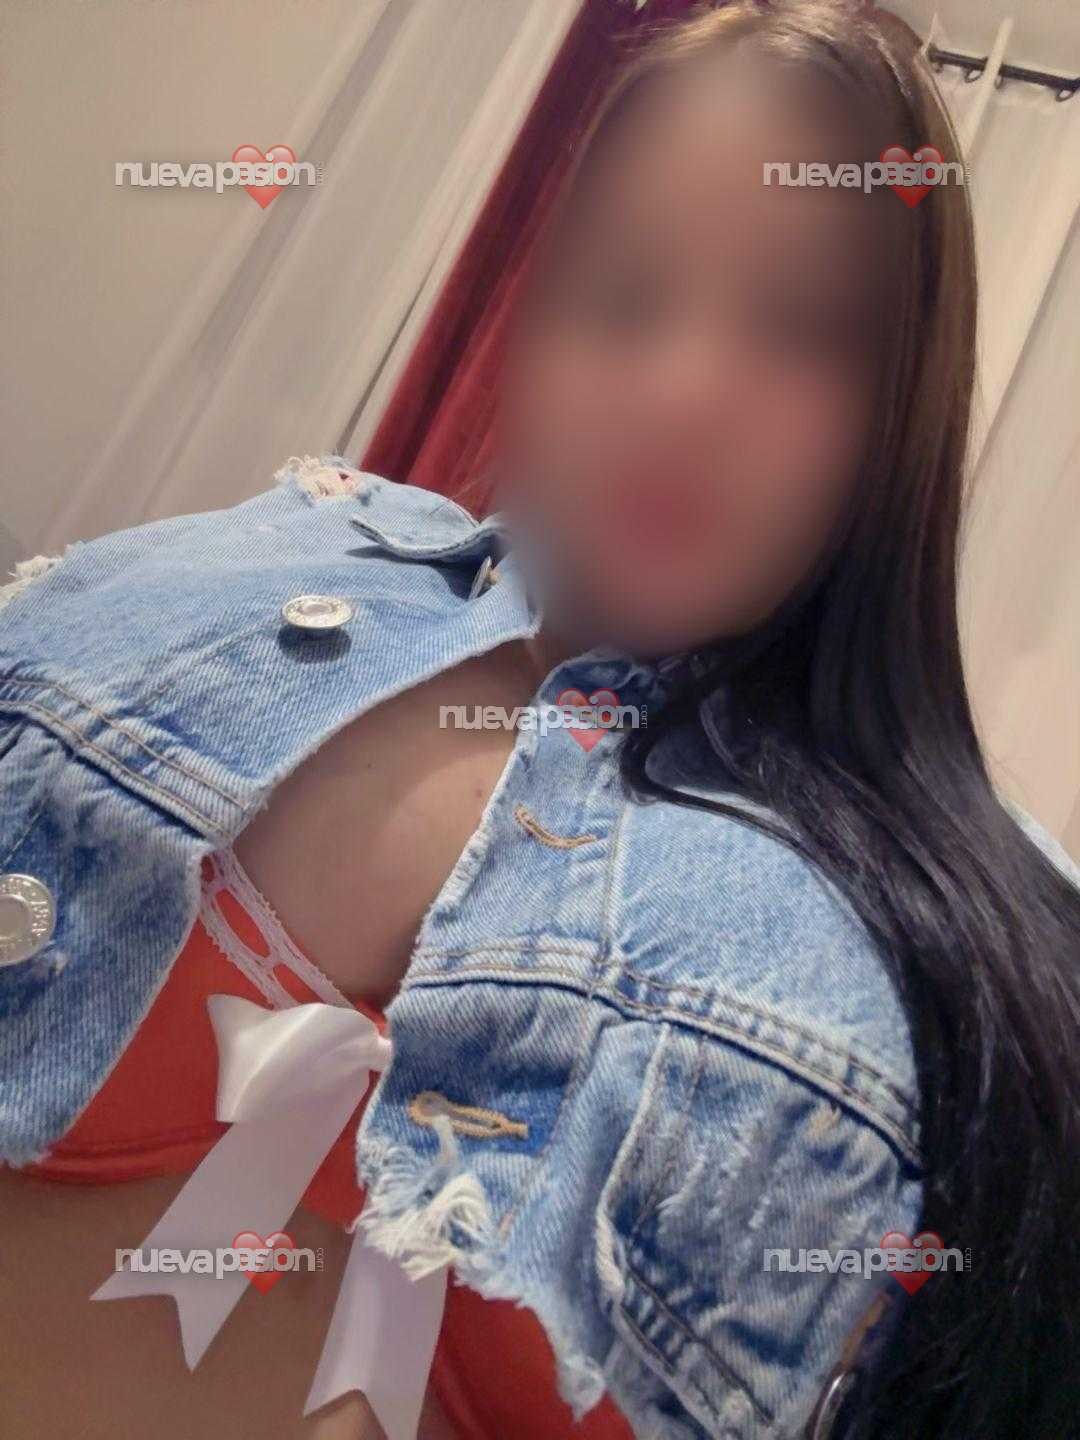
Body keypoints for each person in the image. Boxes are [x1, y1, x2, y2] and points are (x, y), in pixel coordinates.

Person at [1, 2, 1078, 1437]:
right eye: (621, 299)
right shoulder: (273, 562)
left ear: (906, 408)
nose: (684, 394)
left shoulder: (998, 948)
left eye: (804, 331)